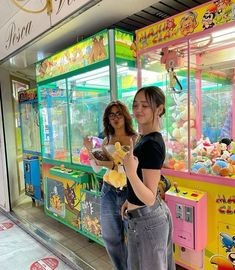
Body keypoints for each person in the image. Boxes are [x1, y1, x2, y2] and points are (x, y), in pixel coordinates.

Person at [121, 86, 175, 270]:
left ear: (159, 109)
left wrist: (129, 171)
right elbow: (142, 184)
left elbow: (149, 197)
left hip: (148, 221)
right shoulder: (145, 138)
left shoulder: (151, 143)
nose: (138, 110)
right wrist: (130, 200)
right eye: (135, 105)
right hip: (143, 218)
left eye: (145, 105)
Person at [83, 100, 137, 270]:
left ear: (125, 116)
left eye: (118, 113)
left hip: (130, 193)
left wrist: (113, 166)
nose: (115, 118)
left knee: (134, 238)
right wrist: (90, 150)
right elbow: (98, 169)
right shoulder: (106, 140)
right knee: (110, 237)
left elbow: (135, 169)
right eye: (111, 115)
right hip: (108, 191)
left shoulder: (135, 138)